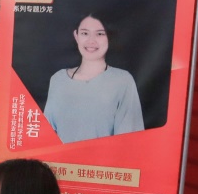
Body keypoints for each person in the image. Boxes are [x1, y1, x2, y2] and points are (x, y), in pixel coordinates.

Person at [44, 14, 144, 143]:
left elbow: (129, 141)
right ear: (76, 36)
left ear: (109, 37)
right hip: (59, 157)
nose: (91, 41)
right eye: (85, 33)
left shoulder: (122, 81)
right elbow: (47, 134)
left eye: (100, 34)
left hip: (104, 157)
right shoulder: (58, 80)